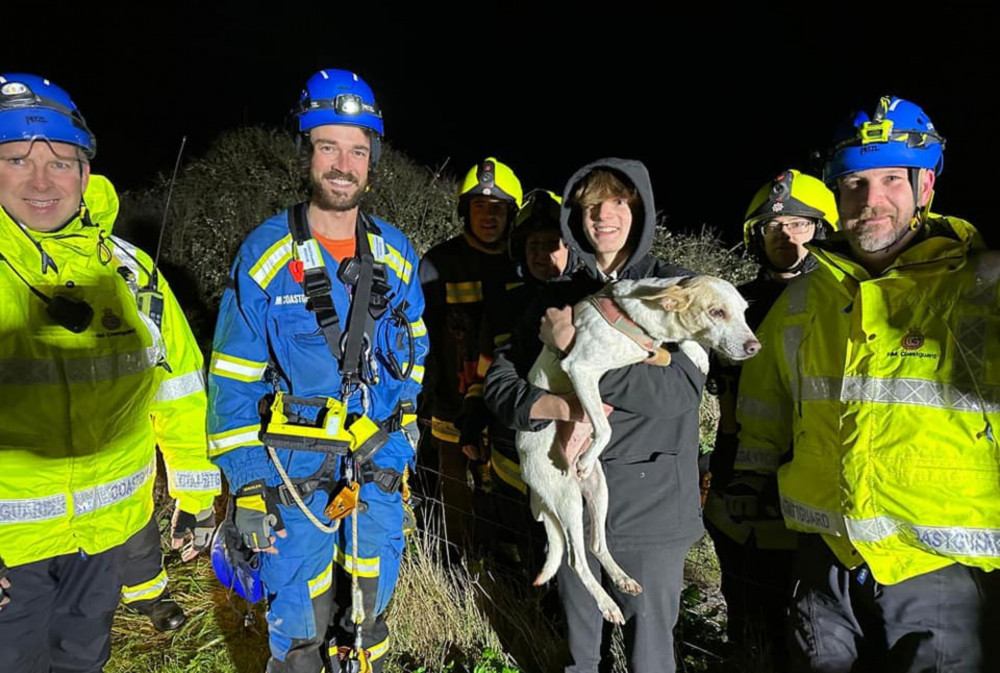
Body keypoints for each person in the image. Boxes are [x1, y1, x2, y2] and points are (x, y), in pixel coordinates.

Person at [735, 95, 1000, 672]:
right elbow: (765, 399)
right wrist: (749, 478)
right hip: (823, 559)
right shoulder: (807, 295)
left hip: (939, 571)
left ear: (925, 187)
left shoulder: (980, 288)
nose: (870, 201)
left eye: (889, 180)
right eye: (854, 183)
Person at [207, 68, 428, 673]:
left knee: (369, 620)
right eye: (328, 145)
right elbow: (230, 381)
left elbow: (415, 359)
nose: (342, 163)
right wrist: (247, 485)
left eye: (358, 149)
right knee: (300, 630)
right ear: (306, 152)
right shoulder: (265, 254)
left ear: (372, 160)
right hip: (290, 477)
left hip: (375, 474)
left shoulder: (397, 253)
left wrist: (397, 445)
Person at [0, 73, 219, 672]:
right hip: (8, 558)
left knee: (82, 660)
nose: (42, 180)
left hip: (103, 542)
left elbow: (178, 387)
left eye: (61, 162)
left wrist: (195, 489)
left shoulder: (130, 273)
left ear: (86, 174)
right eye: (17, 158)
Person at [484, 159, 705, 673]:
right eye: (588, 207)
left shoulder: (678, 289)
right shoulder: (557, 297)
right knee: (579, 657)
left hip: (651, 509)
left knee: (649, 658)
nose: (602, 217)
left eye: (616, 203)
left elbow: (680, 391)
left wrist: (574, 350)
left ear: (640, 210)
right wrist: (557, 406)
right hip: (571, 501)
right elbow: (499, 385)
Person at [702, 169, 837, 670]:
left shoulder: (841, 303)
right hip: (736, 471)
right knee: (741, 600)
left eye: (801, 224)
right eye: (773, 227)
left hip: (811, 481)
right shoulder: (731, 302)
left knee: (807, 621)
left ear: (823, 230)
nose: (786, 236)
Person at [464, 188, 574, 568]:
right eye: (535, 245)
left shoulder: (588, 299)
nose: (544, 255)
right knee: (523, 543)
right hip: (509, 451)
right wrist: (473, 414)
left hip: (566, 449)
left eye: (554, 244)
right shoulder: (505, 304)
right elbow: (485, 365)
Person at [418, 157, 522, 555]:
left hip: (507, 406)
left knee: (510, 496)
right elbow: (419, 335)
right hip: (450, 403)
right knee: (455, 497)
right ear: (465, 211)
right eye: (479, 206)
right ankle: (458, 567)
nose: (489, 216)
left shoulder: (523, 261)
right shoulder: (439, 263)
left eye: (498, 208)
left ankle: (508, 572)